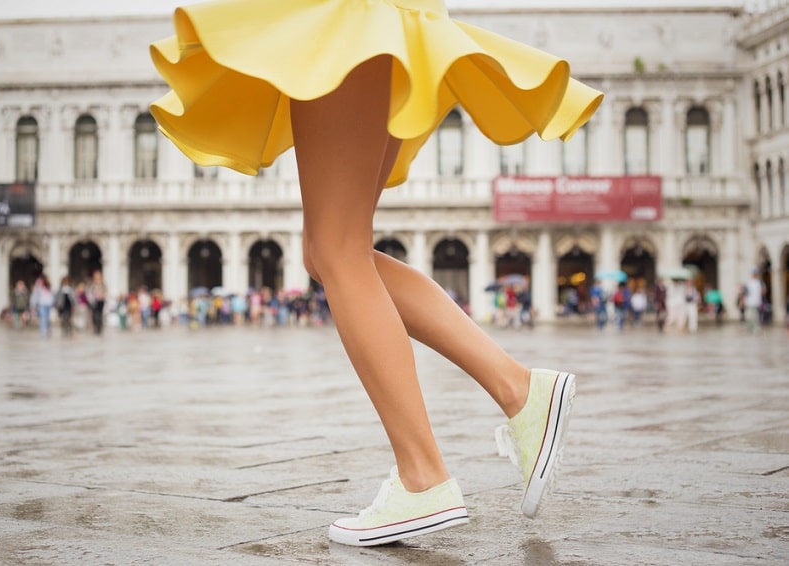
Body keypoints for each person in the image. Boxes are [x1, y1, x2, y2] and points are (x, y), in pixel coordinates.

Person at [150, 0, 601, 547]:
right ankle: (518, 389)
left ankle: (423, 475)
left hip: (342, 15)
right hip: (368, 14)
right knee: (330, 251)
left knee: (337, 250)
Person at [87, 270, 107, 335]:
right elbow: (89, 292)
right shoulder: (92, 283)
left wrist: (104, 296)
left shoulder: (102, 283)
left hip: (101, 301)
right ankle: (95, 327)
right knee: (95, 314)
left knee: (100, 314)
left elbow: (105, 291)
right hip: (94, 301)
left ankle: (99, 328)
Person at [744, 268, 764, 333]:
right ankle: (751, 328)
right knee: (750, 315)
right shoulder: (749, 283)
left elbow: (763, 291)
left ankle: (756, 328)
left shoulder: (760, 282)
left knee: (755, 315)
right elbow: (745, 293)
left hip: (757, 301)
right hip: (750, 302)